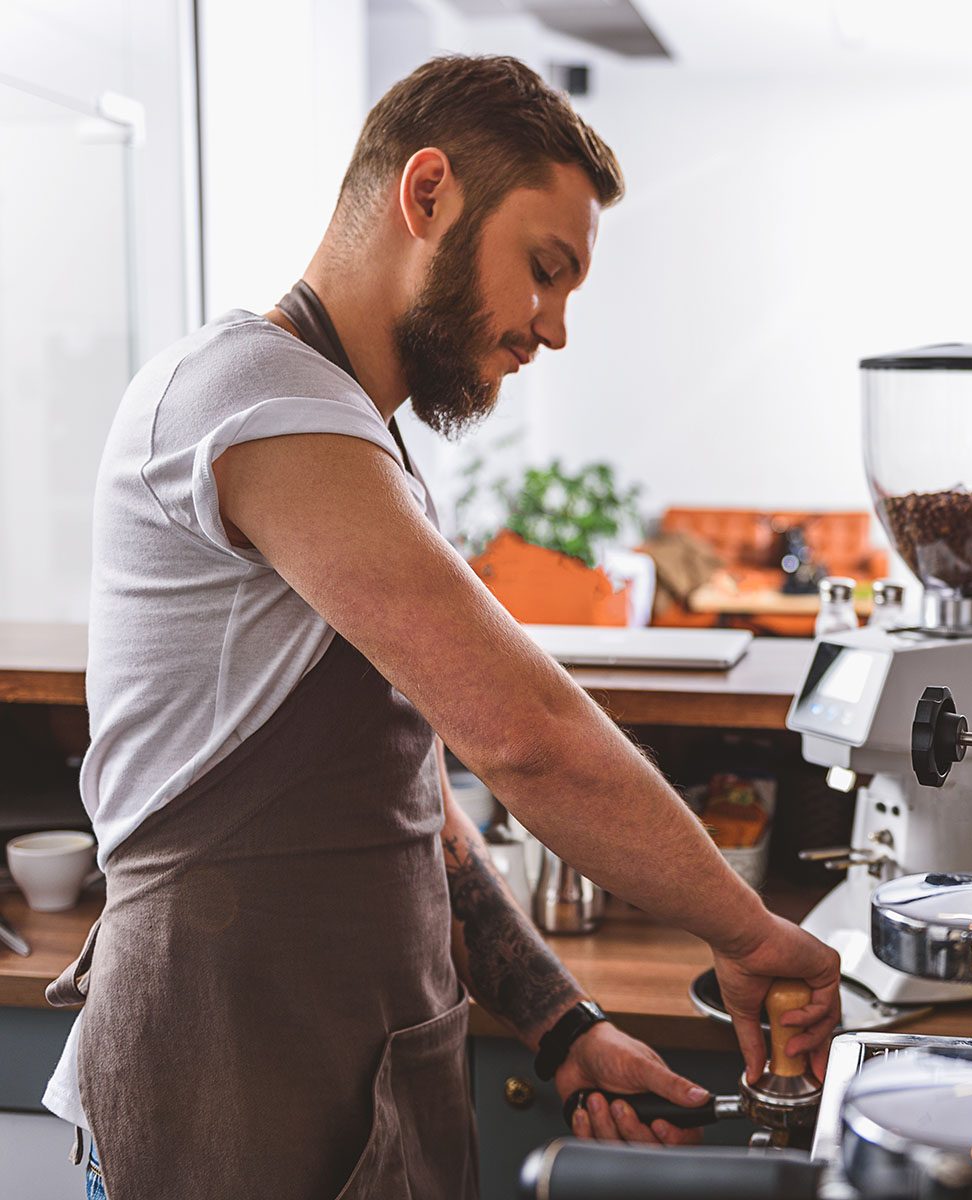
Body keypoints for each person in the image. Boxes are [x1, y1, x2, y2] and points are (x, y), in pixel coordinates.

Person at [44, 54, 840, 1200]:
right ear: (429, 195)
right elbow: (524, 733)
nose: (553, 328)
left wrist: (562, 1022)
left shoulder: (346, 433)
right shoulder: (251, 401)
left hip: (352, 1086)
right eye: (545, 269)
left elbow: (408, 804)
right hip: (218, 1087)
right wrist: (755, 936)